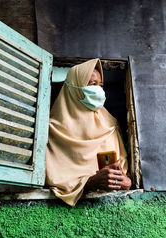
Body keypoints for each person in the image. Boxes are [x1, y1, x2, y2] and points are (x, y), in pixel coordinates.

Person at [46, 58, 131, 206]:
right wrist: (90, 183)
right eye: (92, 84)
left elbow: (126, 176)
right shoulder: (51, 130)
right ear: (74, 88)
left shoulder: (111, 125)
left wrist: (125, 183)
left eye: (101, 85)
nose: (98, 90)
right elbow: (52, 179)